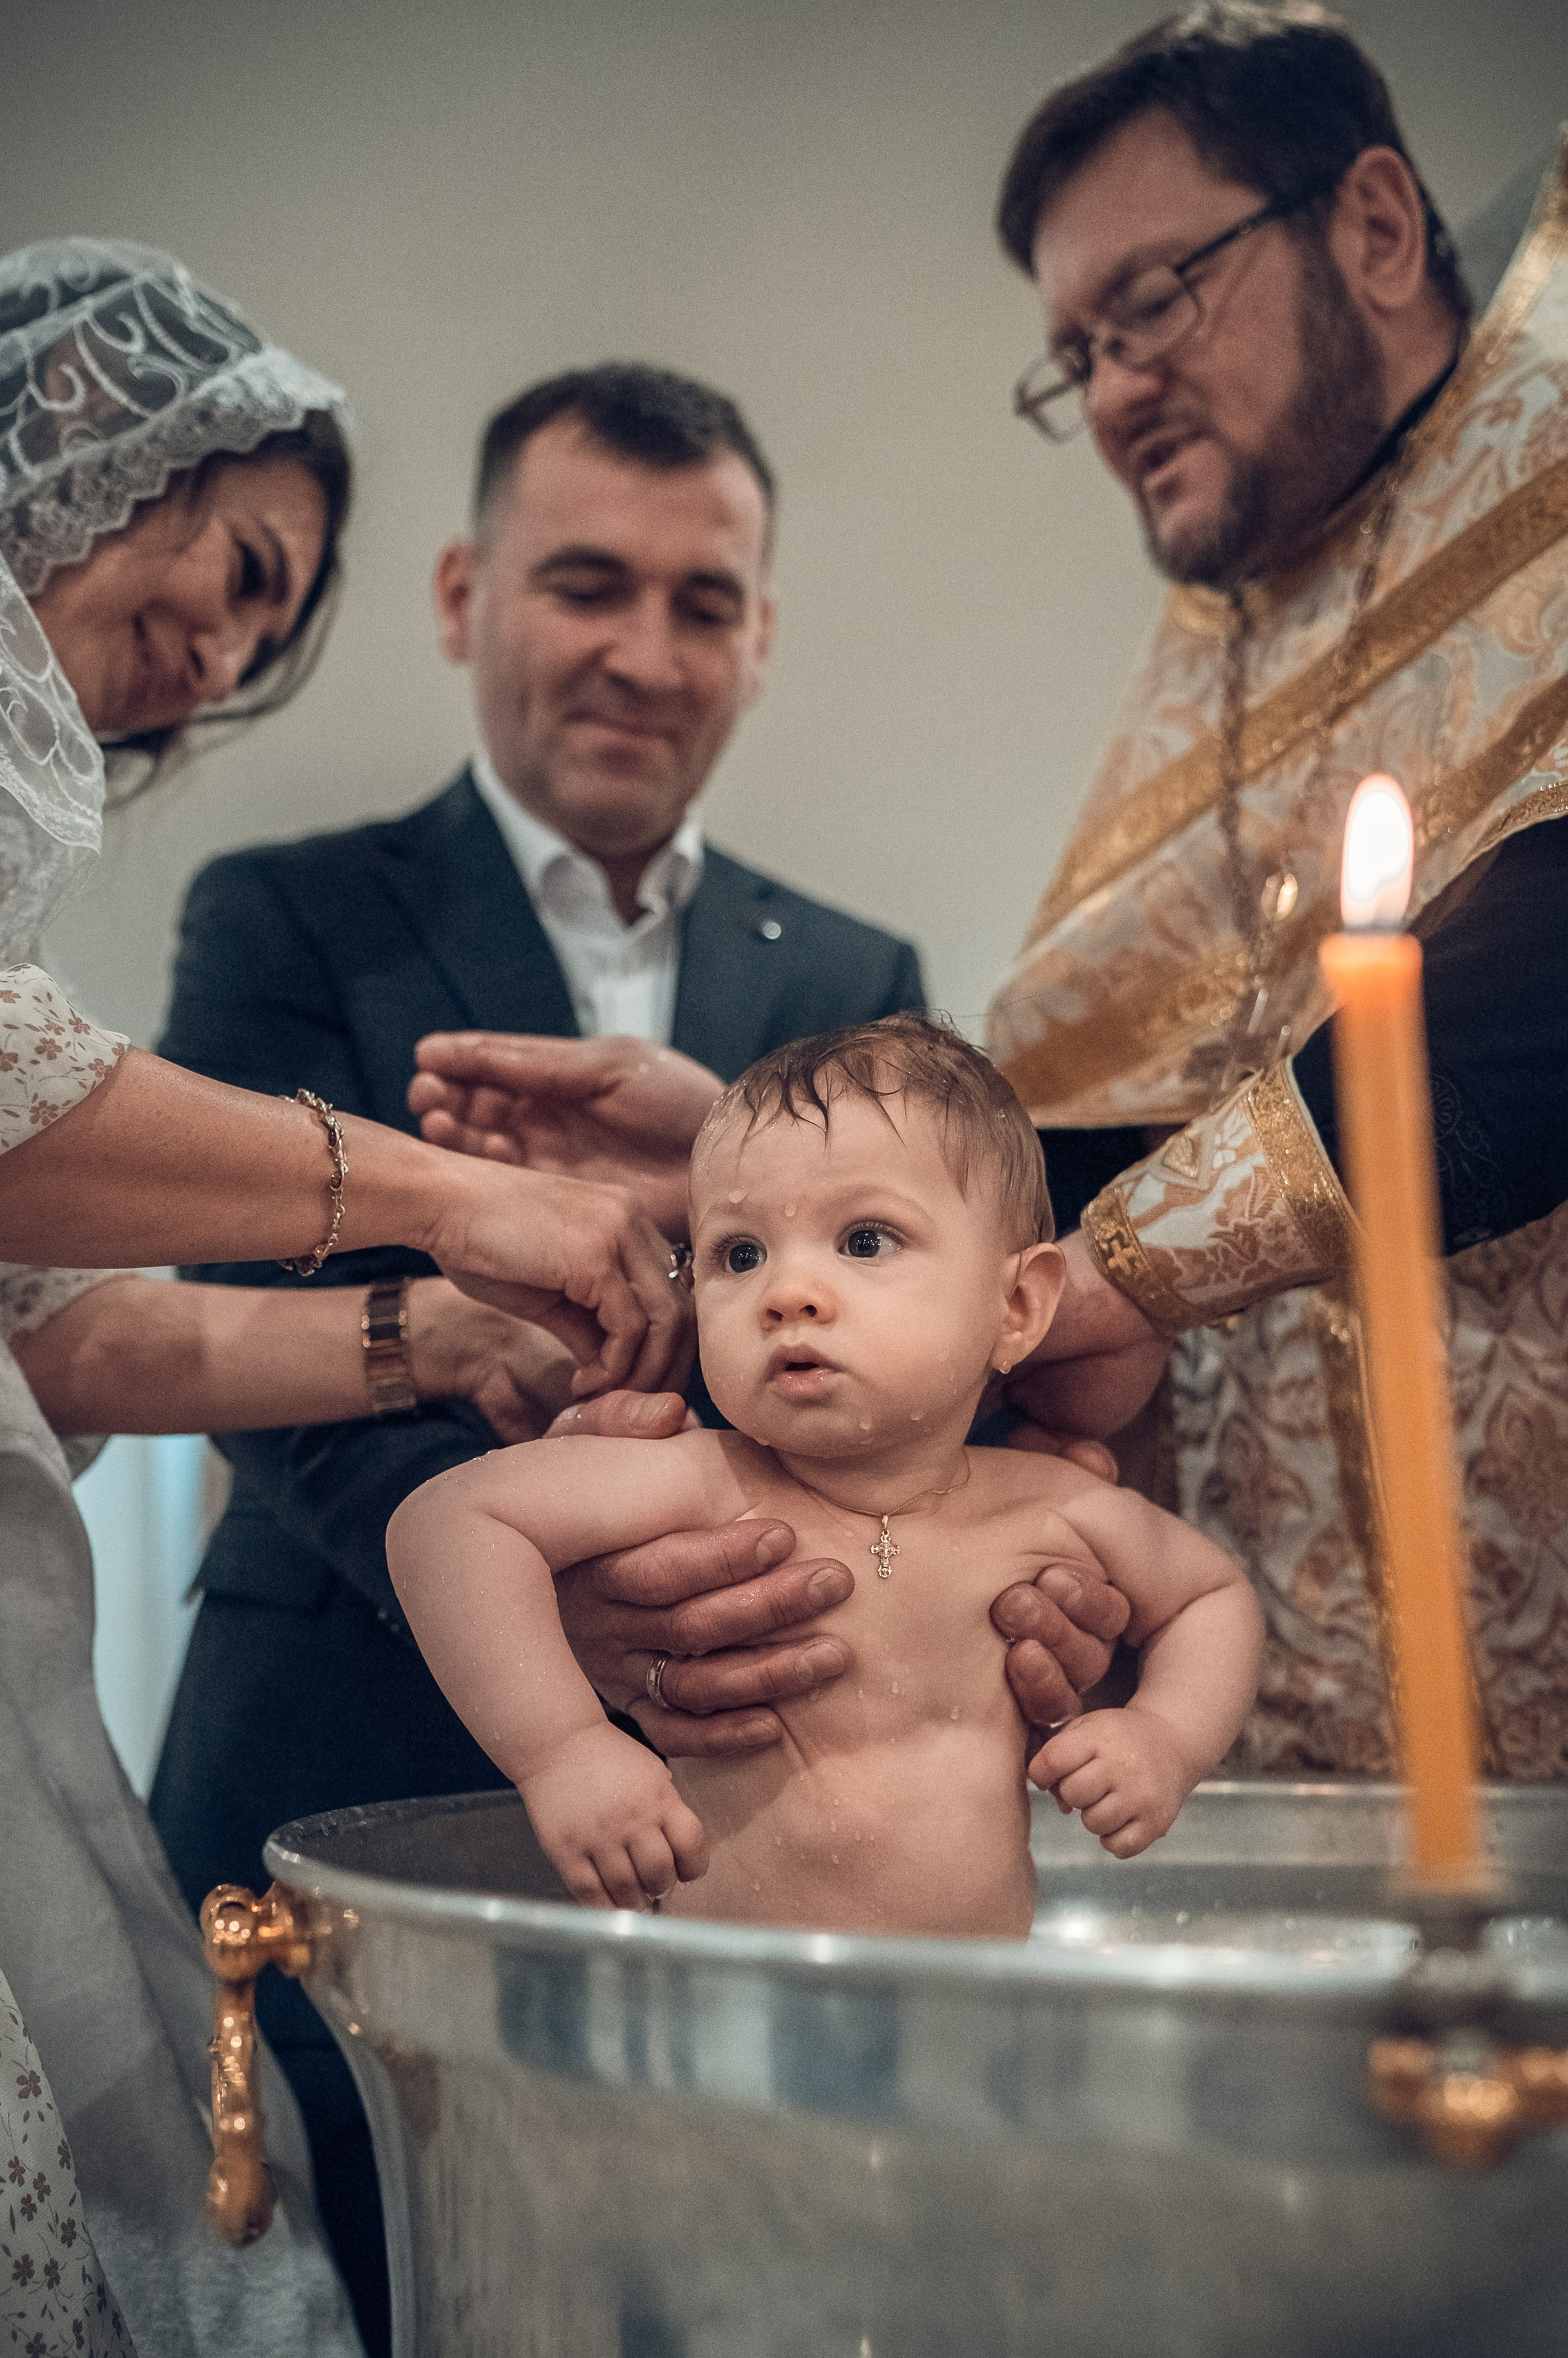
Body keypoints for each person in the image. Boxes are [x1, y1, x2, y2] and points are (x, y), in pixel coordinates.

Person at [417, 6, 1568, 1787]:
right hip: (1269, 1730)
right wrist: (780, 1160)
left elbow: (1531, 1003)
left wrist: (1092, 1280)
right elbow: (1152, 1111)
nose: (1111, 393)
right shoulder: (1233, 656)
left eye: (1156, 301)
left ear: (1378, 227)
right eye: (1076, 353)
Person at [147, 359, 923, 2335]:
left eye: (705, 602)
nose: (644, 653)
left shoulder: (853, 980)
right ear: (460, 595)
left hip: (739, 1795)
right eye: (587, 584)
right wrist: (540, 1612)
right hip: (333, 1752)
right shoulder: (288, 915)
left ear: (762, 641)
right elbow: (265, 1333)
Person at [0, 239, 685, 2358]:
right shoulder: (295, 910)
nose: (215, 652)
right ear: (90, 444)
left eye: (271, 622)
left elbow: (63, 1333)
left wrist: (441, 1338)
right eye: (235, 560)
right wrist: (462, 1208)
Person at [389, 1019, 1262, 1932]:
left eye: (866, 1241)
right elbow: (448, 1524)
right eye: (739, 1253)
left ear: (1017, 1305)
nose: (786, 1291)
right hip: (733, 2022)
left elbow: (1210, 1596)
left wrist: (1165, 1736)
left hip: (966, 2025)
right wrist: (563, 1751)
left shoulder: (1054, 1507)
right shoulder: (703, 1483)